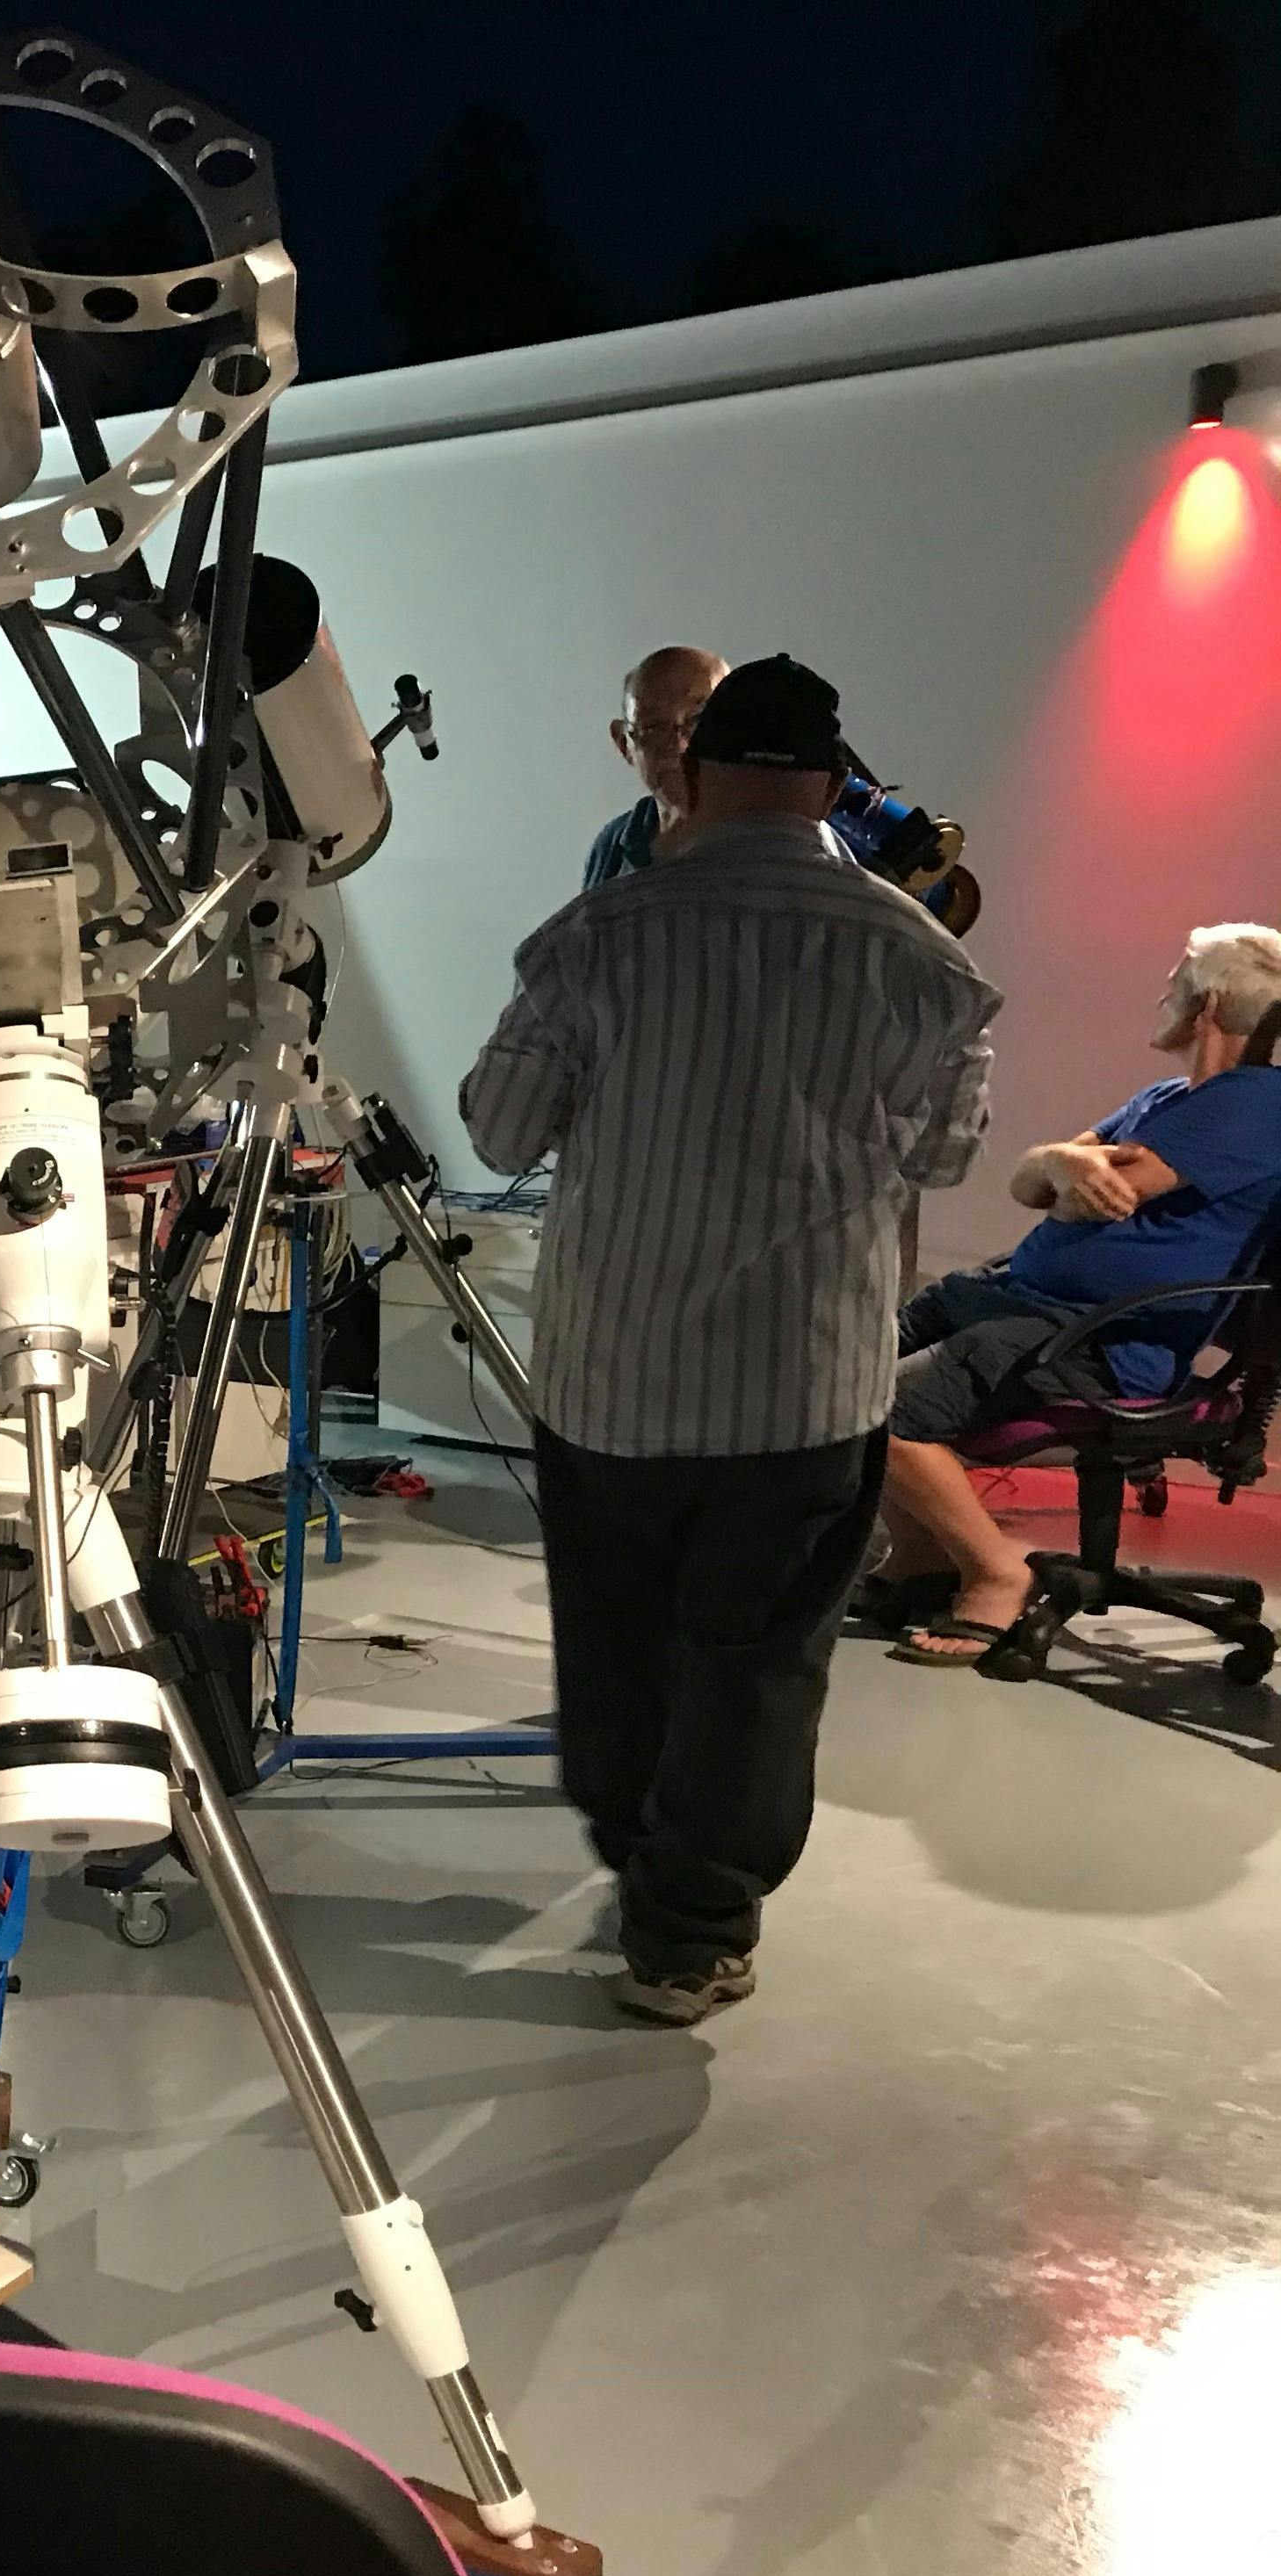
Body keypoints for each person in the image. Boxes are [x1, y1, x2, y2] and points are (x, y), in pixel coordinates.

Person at [460, 655, 1001, 2026]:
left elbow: (502, 1132)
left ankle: (639, 1850)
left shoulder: (596, 935)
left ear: (692, 774)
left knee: (620, 1637)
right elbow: (943, 1156)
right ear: (830, 786)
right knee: (756, 1665)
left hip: (610, 1378)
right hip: (805, 1386)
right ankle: (691, 1934)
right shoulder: (923, 960)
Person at [869, 926, 1281, 1667]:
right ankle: (918, 1561)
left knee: (879, 1410)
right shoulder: (1167, 1097)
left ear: (1210, 1001)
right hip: (1015, 1297)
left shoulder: (1260, 1102)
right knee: (845, 1373)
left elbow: (1113, 1189)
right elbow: (1032, 1182)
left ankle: (995, 1573)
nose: (1164, 991)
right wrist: (1059, 1160)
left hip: (1097, 1337)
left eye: (1176, 977)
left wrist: (1066, 1171)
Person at [579, 645, 727, 890]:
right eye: (653, 727)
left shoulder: (770, 836)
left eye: (699, 720)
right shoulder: (614, 847)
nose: (679, 745)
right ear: (623, 743)